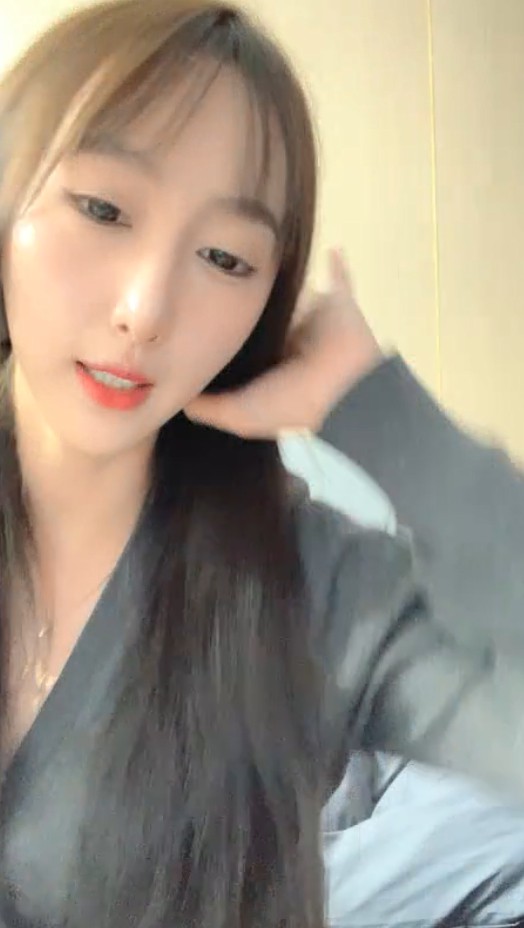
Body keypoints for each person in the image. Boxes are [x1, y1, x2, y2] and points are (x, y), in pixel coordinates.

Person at [0, 3, 524, 928]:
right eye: (103, 209)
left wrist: (376, 407)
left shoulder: (312, 587)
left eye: (224, 257)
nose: (145, 309)